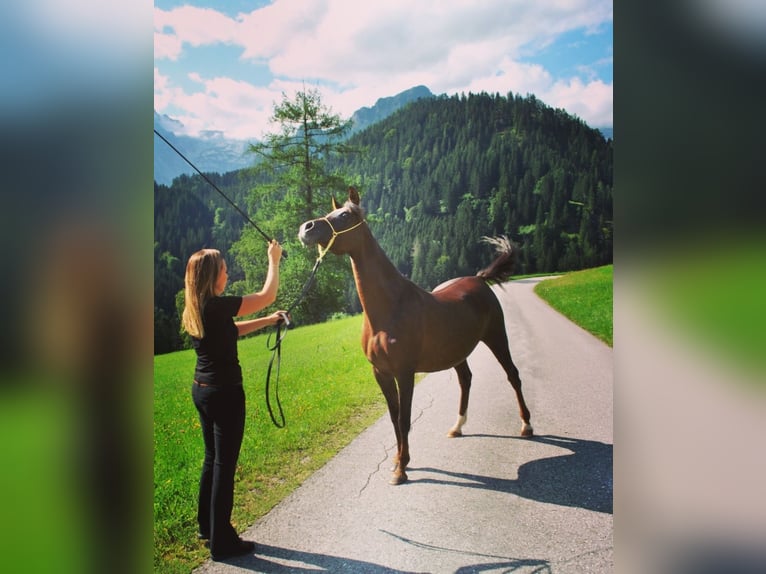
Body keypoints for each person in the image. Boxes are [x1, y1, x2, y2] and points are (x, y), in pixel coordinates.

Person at [181, 240, 286, 561]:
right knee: (224, 466)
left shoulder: (200, 306)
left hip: (203, 390)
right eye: (225, 270)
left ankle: (207, 527)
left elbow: (232, 330)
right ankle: (222, 542)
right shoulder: (217, 305)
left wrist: (269, 321)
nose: (228, 273)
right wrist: (274, 260)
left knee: (212, 459)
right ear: (214, 276)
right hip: (225, 393)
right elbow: (268, 295)